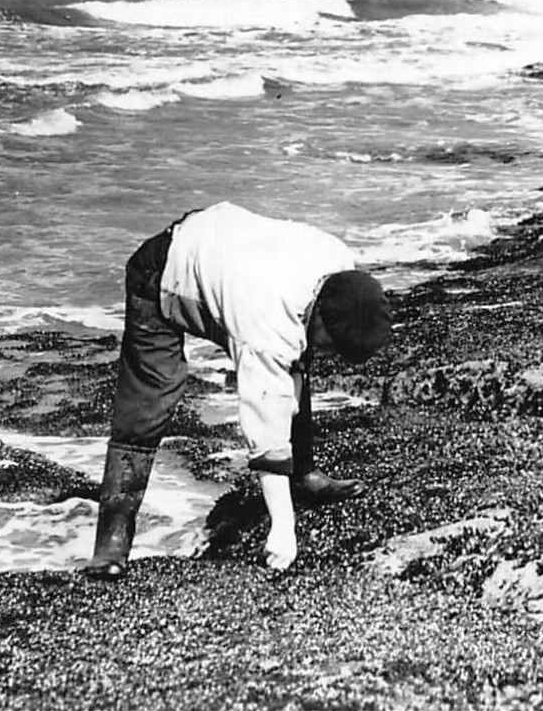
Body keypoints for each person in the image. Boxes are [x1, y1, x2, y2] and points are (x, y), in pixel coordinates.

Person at [86, 202, 393, 579]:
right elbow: (264, 422)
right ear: (321, 315)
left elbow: (294, 370)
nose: (332, 355)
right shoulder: (267, 324)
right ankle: (111, 545)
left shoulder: (340, 264)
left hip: (228, 251)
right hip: (167, 272)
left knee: (296, 364)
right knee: (150, 398)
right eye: (332, 345)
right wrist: (283, 527)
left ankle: (305, 477)